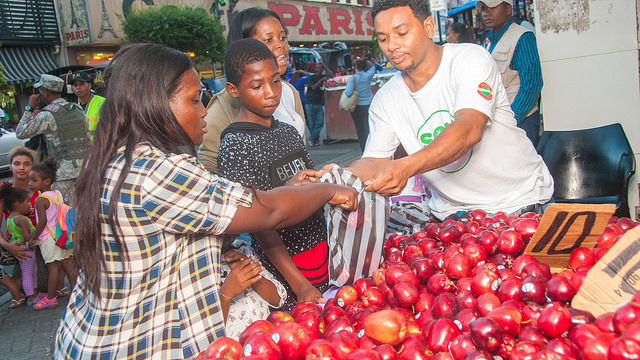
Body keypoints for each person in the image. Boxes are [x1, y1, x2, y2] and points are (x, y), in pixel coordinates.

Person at [54, 43, 356, 359]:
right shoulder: (157, 171)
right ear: (155, 104)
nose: (203, 110)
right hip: (135, 345)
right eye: (194, 99)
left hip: (89, 336)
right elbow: (267, 211)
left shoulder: (115, 160)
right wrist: (326, 190)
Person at [347, 0, 553, 222]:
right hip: (452, 216)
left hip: (519, 202)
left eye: (402, 33)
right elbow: (373, 161)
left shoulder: (469, 59)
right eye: (383, 39)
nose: (392, 46)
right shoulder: (385, 99)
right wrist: (337, 178)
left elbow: (468, 129)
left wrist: (405, 166)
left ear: (428, 27)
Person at [218, 38, 331, 311]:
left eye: (276, 80)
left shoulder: (288, 131)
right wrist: (298, 283)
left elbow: (310, 185)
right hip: (286, 268)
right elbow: (258, 222)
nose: (271, 92)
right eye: (257, 86)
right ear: (233, 89)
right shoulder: (235, 144)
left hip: (320, 251)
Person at [198, 7, 306, 173]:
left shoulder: (290, 92)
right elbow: (209, 169)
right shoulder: (223, 107)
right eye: (268, 40)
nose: (280, 45)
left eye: (282, 37)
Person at [16, 74, 91, 206]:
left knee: (66, 213)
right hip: (86, 167)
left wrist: (30, 108)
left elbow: (21, 132)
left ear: (45, 92)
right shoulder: (77, 109)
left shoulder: (47, 115)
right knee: (87, 208)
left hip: (62, 172)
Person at [477, 0, 543, 147]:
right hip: (501, 122)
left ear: (508, 9)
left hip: (520, 122)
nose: (486, 13)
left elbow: (532, 84)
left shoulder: (522, 37)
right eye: (483, 9)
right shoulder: (491, 40)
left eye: (492, 8)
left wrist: (512, 120)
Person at [28, 159, 77, 310]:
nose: (30, 183)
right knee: (68, 263)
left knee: (53, 268)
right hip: (61, 235)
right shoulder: (57, 193)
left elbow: (42, 221)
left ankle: (50, 298)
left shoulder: (40, 200)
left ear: (46, 181)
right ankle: (76, 292)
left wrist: (33, 238)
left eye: (34, 180)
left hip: (48, 238)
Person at [220, 237, 286, 339]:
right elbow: (205, 336)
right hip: (235, 349)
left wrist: (251, 272)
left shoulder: (241, 247)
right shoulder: (198, 267)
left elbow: (278, 299)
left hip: (269, 339)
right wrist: (225, 295)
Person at [0, 183, 36, 306]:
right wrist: (39, 230)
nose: (30, 204)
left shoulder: (10, 218)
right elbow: (27, 237)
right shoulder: (22, 219)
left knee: (29, 272)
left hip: (18, 247)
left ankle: (33, 294)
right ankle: (31, 297)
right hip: (26, 249)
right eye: (27, 202)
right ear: (17, 204)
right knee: (28, 274)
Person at [344, 58, 378, 151]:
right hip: (368, 104)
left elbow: (348, 93)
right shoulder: (368, 75)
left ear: (355, 67)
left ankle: (364, 148)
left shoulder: (353, 78)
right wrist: (365, 60)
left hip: (357, 106)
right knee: (368, 127)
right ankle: (371, 147)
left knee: (360, 129)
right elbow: (373, 67)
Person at [305, 61, 335, 147]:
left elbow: (332, 76)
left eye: (321, 68)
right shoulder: (311, 77)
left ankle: (312, 139)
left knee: (320, 123)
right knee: (312, 124)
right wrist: (321, 80)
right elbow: (313, 87)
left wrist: (325, 66)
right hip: (310, 103)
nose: (319, 70)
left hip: (319, 103)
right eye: (318, 68)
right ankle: (315, 140)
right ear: (315, 69)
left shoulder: (324, 76)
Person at [70, 71, 106, 139]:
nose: (78, 87)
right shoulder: (74, 108)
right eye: (75, 85)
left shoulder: (101, 102)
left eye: (81, 84)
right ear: (72, 88)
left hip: (100, 147)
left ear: (89, 85)